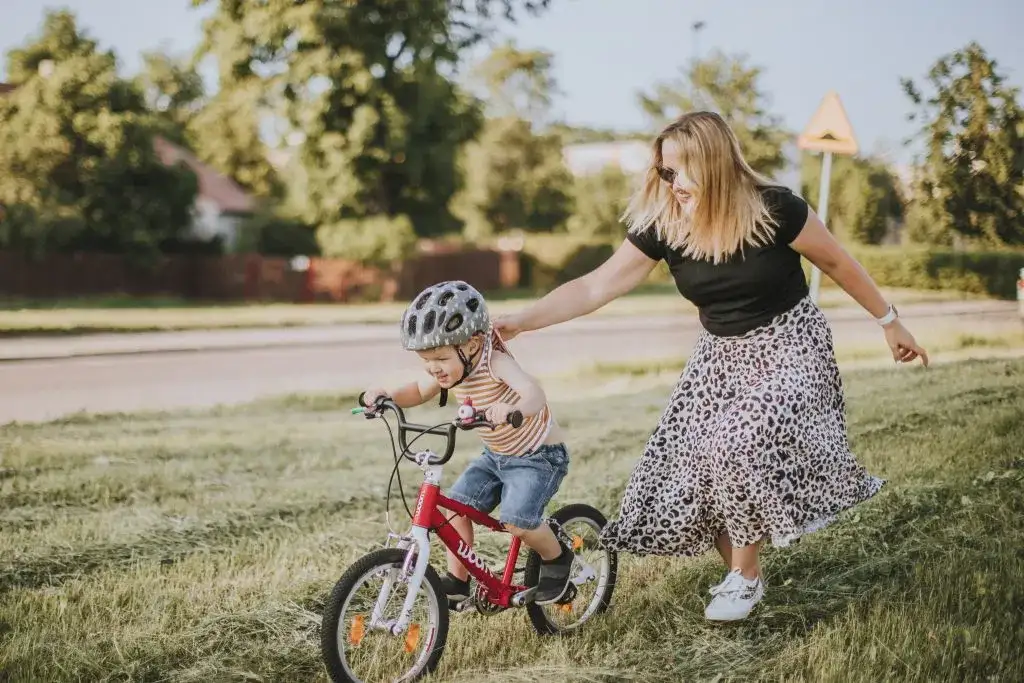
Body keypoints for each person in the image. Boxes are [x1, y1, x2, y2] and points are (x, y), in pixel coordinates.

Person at [493, 111, 929, 622]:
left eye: (680, 170)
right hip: (720, 355)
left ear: (716, 163)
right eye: (664, 172)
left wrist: (889, 320)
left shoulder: (776, 209)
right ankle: (745, 573)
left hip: (791, 343)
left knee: (734, 443)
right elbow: (594, 287)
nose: (671, 183)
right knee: (689, 464)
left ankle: (743, 576)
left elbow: (836, 262)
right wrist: (523, 320)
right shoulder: (666, 225)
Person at [362, 280, 575, 605]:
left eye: (441, 358)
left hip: (537, 455)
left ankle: (557, 560)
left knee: (517, 522)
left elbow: (534, 393)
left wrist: (514, 409)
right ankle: (458, 582)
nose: (434, 368)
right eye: (426, 360)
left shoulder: (495, 363)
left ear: (473, 344)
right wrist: (385, 396)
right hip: (497, 455)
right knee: (455, 509)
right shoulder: (451, 369)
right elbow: (418, 391)